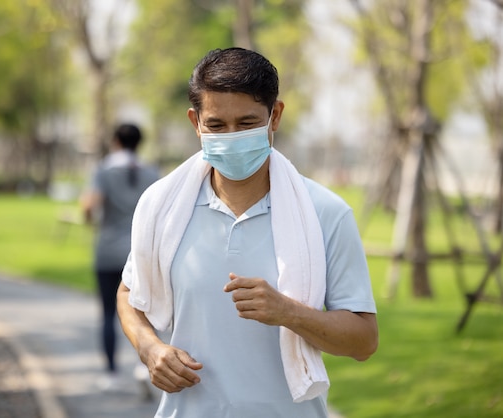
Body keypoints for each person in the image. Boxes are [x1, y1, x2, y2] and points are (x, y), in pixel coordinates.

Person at [116, 47, 378, 417]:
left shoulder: (325, 213)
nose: (232, 137)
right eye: (217, 126)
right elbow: (130, 291)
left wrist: (289, 312)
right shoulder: (162, 205)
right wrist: (149, 348)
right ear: (196, 122)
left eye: (247, 123)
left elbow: (364, 341)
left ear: (276, 117)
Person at [80, 123, 159, 389]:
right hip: (141, 253)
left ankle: (112, 373)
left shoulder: (104, 170)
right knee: (145, 310)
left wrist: (90, 218)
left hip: (109, 251)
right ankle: (143, 365)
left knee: (107, 314)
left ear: (115, 141)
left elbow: (90, 205)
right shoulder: (151, 172)